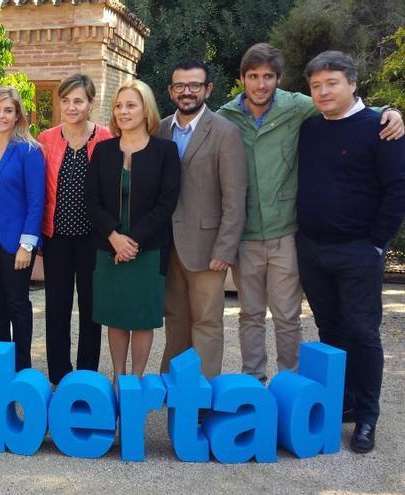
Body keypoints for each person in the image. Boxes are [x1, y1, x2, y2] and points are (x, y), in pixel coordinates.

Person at [217, 43, 404, 383]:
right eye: (253, 76)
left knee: (288, 316)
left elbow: (348, 110)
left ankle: (290, 383)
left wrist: (388, 112)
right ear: (242, 78)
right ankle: (253, 383)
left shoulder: (298, 106)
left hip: (287, 232)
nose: (261, 84)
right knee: (250, 314)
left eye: (268, 77)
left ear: (279, 79)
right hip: (246, 234)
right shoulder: (226, 116)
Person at [296, 51, 405, 454]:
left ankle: (367, 416)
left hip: (358, 251)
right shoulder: (309, 128)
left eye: (331, 83)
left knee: (362, 333)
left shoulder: (380, 127)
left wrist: (376, 242)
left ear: (353, 84)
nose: (323, 92)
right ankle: (342, 402)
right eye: (316, 86)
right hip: (311, 249)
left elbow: (398, 189)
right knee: (331, 331)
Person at [158, 60, 247, 379]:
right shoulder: (162, 128)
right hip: (168, 246)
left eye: (194, 85)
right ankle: (174, 386)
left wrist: (225, 249)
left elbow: (234, 197)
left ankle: (202, 396)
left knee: (207, 323)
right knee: (176, 320)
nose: (187, 92)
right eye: (180, 86)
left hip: (208, 249)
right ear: (171, 90)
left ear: (207, 89)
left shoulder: (225, 132)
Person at [85, 80, 180, 380]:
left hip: (148, 250)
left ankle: (135, 380)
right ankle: (117, 377)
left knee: (141, 319)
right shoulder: (102, 150)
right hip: (108, 247)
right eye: (118, 106)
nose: (123, 111)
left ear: (146, 109)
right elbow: (92, 199)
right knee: (115, 317)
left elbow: (166, 204)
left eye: (131, 105)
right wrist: (114, 237)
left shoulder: (165, 151)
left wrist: (133, 241)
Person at [36, 74, 112, 385]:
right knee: (57, 307)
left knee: (92, 309)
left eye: (78, 100)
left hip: (94, 240)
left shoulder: (106, 138)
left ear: (90, 103)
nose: (71, 106)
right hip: (57, 238)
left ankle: (86, 377)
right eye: (65, 100)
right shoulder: (46, 139)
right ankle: (59, 375)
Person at [0, 87, 45, 371]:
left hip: (15, 243)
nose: (1, 115)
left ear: (17, 117)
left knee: (17, 303)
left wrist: (27, 245)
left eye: (8, 110)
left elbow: (36, 201)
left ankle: (21, 367)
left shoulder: (28, 150)